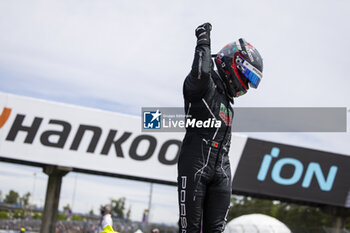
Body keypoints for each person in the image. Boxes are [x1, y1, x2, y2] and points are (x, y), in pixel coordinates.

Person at [177, 22, 263, 233]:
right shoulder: (202, 86)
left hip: (222, 171)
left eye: (251, 81)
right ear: (234, 63)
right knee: (191, 230)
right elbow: (201, 71)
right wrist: (203, 41)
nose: (246, 85)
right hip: (195, 165)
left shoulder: (228, 104)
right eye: (248, 76)